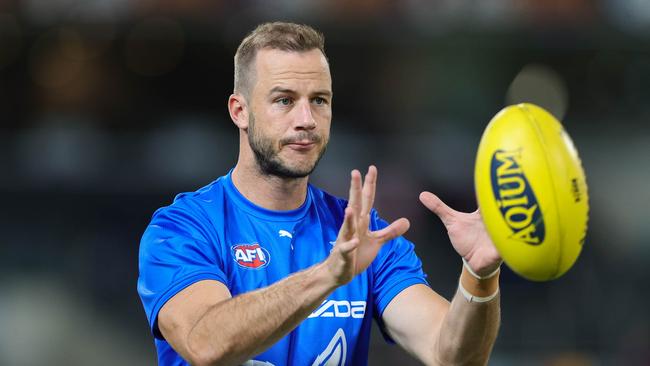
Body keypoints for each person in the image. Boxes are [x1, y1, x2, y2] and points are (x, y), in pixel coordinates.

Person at [137, 22, 502, 366]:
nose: (306, 119)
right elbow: (205, 344)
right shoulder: (183, 229)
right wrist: (328, 275)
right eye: (284, 100)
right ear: (240, 111)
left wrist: (479, 276)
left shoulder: (363, 235)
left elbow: (451, 355)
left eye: (319, 100)